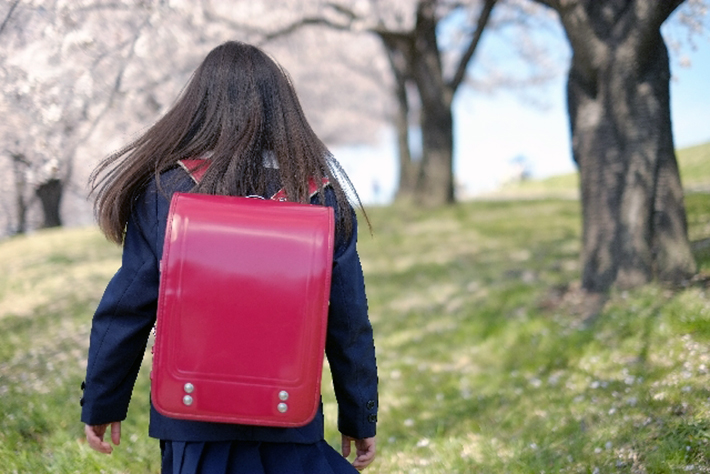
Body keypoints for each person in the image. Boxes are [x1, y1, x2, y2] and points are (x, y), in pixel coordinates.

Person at [80, 41, 378, 473]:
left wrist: (103, 401)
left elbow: (126, 309)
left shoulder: (165, 192)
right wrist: (359, 415)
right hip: (289, 419)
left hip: (191, 421)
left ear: (198, 108)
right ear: (284, 112)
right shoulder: (320, 197)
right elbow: (348, 322)